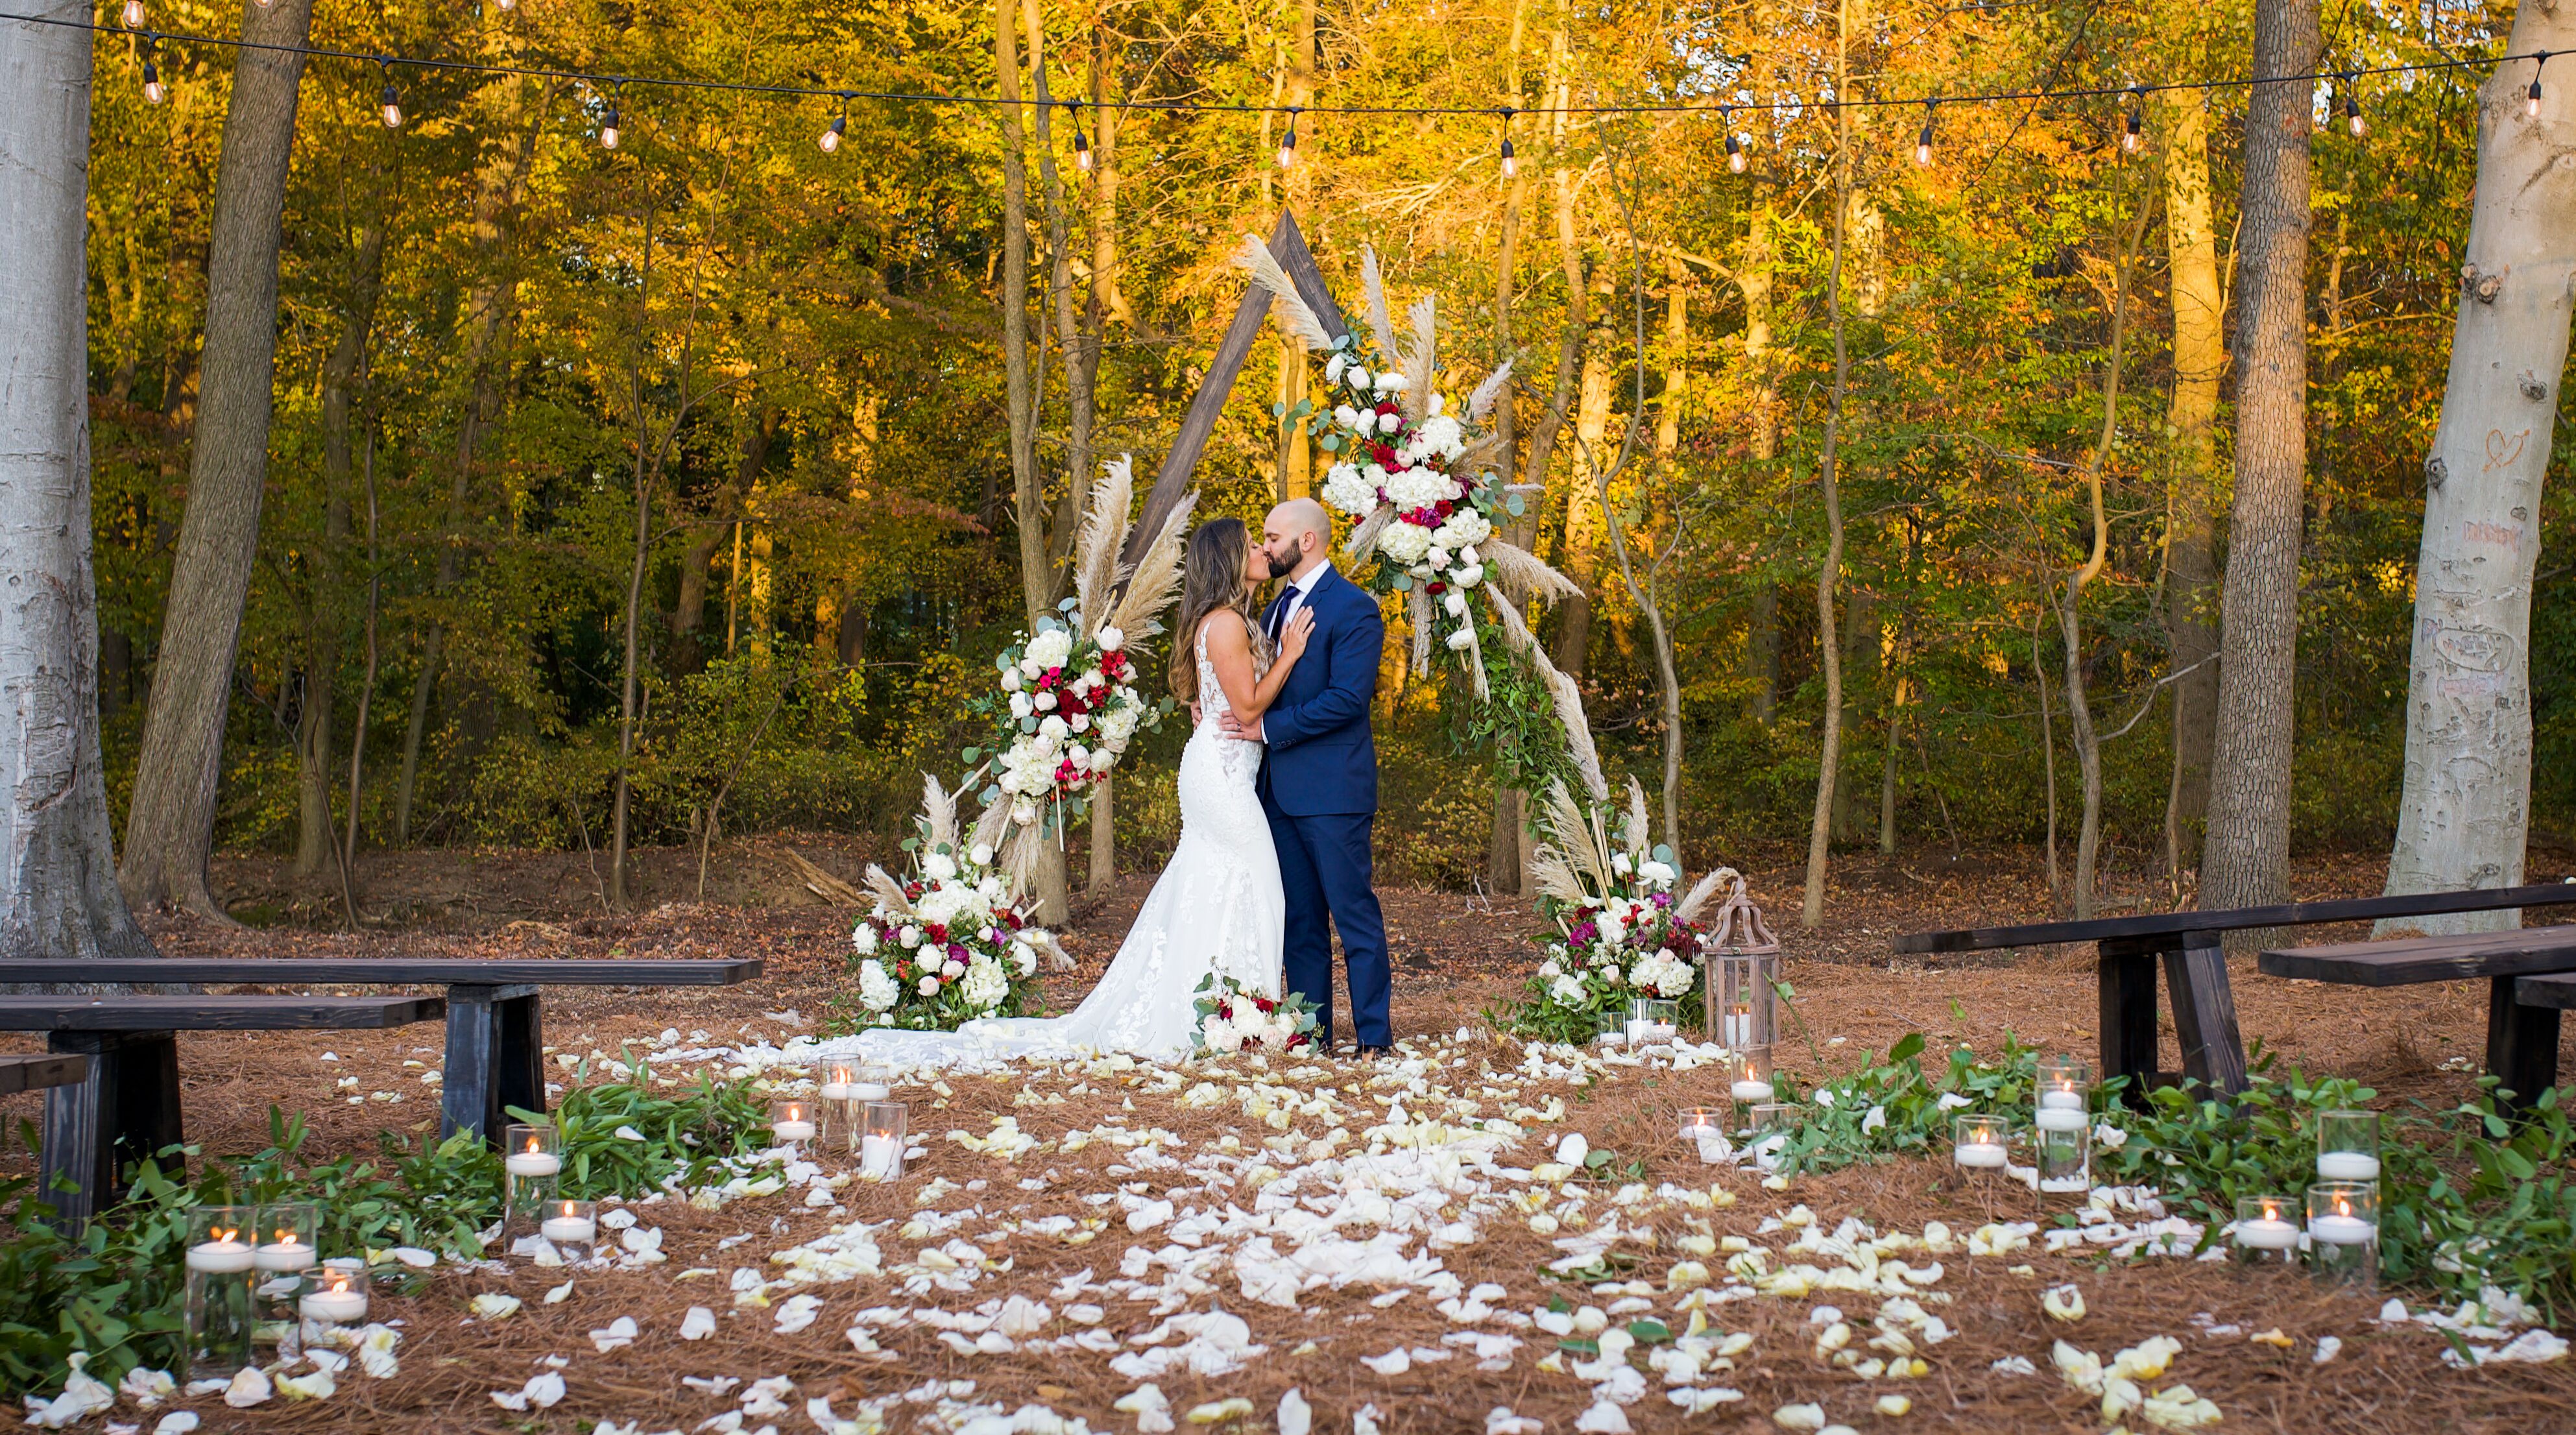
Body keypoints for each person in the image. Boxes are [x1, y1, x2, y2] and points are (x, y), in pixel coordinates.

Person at [837, 517, 1312, 1064]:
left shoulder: (1229, 620)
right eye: (1251, 543)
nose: (1260, 549)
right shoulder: (1226, 622)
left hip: (1222, 767)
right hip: (1223, 776)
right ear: (1229, 559)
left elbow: (1223, 696)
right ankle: (1230, 1013)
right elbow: (1250, 708)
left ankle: (1220, 1013)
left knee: (1218, 884)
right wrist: (1290, 656)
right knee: (1253, 881)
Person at [1221, 498, 1393, 1057]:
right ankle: (1313, 1037)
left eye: (1272, 538)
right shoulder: (1272, 609)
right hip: (1277, 793)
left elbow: (1347, 699)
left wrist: (1268, 729)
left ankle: (1374, 1040)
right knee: (1300, 925)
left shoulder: (1353, 609)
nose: (1265, 548)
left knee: (1353, 918)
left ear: (1308, 542)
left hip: (1334, 792)